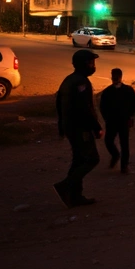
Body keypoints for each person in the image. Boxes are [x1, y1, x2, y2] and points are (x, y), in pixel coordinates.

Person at [53, 49, 104, 208]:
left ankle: (75, 196)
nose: (93, 66)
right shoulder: (81, 82)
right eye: (91, 63)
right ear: (84, 64)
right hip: (80, 128)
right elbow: (85, 108)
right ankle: (66, 185)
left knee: (79, 160)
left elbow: (59, 105)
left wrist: (62, 126)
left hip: (70, 126)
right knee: (92, 159)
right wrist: (96, 127)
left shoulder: (69, 80)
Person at [100, 67, 135, 174]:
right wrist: (106, 118)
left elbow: (134, 104)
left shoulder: (128, 90)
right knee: (108, 141)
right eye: (113, 77)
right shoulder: (107, 92)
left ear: (120, 77)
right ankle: (115, 155)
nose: (115, 79)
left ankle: (124, 166)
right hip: (111, 121)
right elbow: (103, 107)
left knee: (124, 144)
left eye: (116, 77)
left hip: (123, 121)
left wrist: (129, 115)